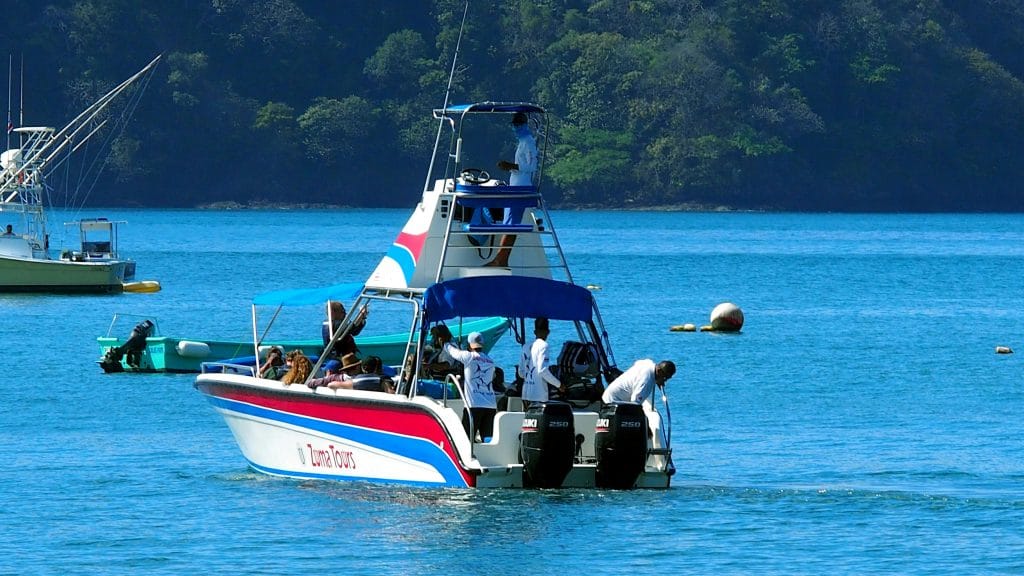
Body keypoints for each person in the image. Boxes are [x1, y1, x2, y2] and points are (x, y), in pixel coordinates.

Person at [488, 111, 538, 268]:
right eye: (514, 125)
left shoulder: (529, 142)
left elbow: (532, 167)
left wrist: (511, 166)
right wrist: (511, 168)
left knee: (512, 224)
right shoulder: (522, 142)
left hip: (521, 189)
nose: (515, 127)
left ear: (524, 124)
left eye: (518, 124)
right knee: (508, 222)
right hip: (515, 186)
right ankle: (501, 258)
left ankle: (501, 259)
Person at [439, 330, 497, 441]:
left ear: (470, 345)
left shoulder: (468, 357)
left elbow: (452, 352)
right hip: (490, 405)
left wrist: (445, 342)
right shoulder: (490, 361)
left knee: (466, 440)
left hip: (473, 405)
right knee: (488, 439)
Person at [518, 317, 562, 409]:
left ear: (534, 332)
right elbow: (542, 370)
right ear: (548, 332)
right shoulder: (543, 345)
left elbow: (521, 373)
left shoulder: (525, 346)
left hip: (526, 394)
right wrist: (559, 385)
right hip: (538, 395)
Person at [601, 359, 676, 409]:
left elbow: (637, 363)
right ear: (659, 371)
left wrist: (658, 380)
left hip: (611, 395)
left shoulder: (648, 363)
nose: (664, 381)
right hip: (612, 402)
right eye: (665, 378)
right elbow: (635, 403)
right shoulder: (646, 381)